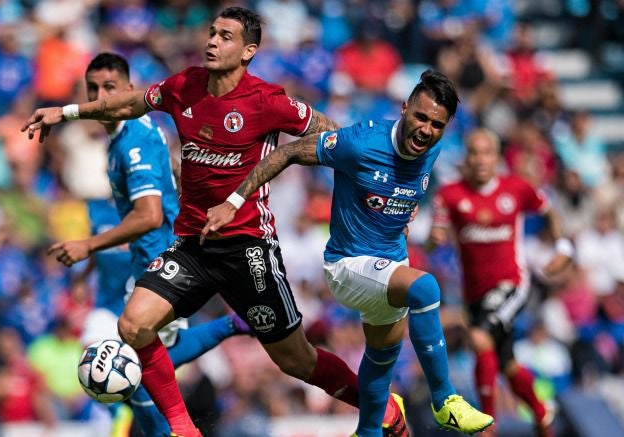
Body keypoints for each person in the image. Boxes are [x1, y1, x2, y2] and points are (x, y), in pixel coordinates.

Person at [22, 8, 407, 437]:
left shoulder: (267, 101)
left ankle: (383, 406)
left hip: (248, 248)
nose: (212, 41)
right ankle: (184, 428)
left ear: (248, 51)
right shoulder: (184, 85)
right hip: (192, 245)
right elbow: (132, 102)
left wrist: (375, 195)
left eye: (225, 36)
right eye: (211, 33)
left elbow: (334, 137)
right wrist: (69, 112)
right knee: (132, 325)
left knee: (296, 360)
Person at [202, 69, 494, 436]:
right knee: (427, 288)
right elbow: (291, 152)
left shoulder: (431, 149)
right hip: (348, 265)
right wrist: (234, 200)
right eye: (420, 117)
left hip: (389, 261)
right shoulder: (361, 141)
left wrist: (403, 212)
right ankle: (445, 400)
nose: (425, 129)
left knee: (382, 357)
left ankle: (368, 431)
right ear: (404, 108)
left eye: (436, 124)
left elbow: (401, 189)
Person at [46, 53, 254, 436]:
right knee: (148, 366)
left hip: (164, 263)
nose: (99, 95)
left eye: (109, 87)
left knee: (142, 369)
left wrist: (88, 246)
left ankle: (234, 324)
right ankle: (235, 323)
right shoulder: (122, 137)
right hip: (153, 261)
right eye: (92, 88)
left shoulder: (132, 142)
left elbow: (149, 215)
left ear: (128, 90)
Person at [429, 128, 572, 437]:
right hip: (473, 293)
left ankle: (486, 426)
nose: (480, 160)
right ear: (465, 158)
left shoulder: (517, 189)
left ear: (496, 158)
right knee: (506, 364)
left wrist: (563, 248)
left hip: (512, 284)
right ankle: (540, 411)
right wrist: (432, 238)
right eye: (474, 153)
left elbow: (550, 213)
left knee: (480, 339)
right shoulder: (450, 195)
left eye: (486, 153)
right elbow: (434, 239)